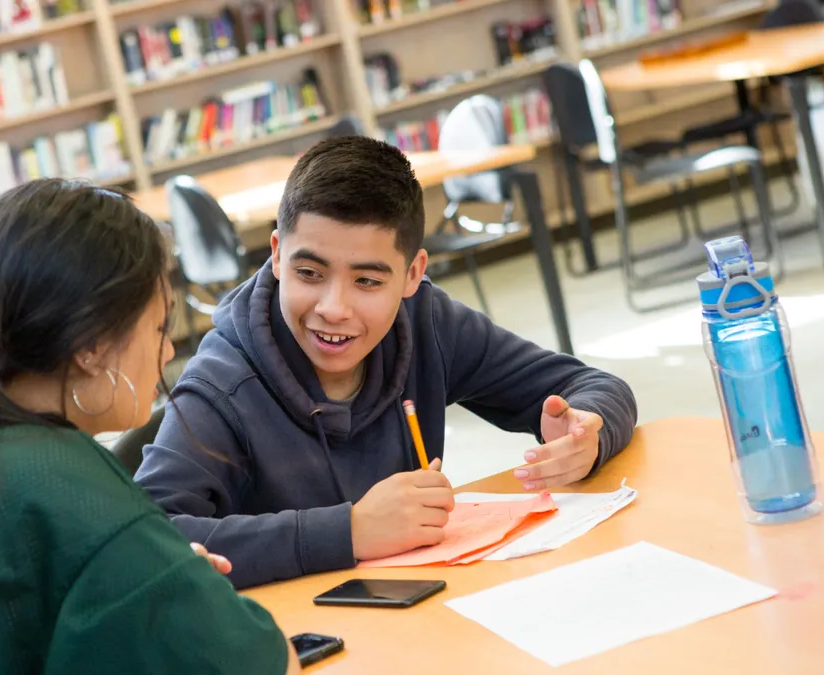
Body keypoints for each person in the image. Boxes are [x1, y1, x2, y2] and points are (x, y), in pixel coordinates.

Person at [135, 137, 638, 589]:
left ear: (412, 274)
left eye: (368, 282)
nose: (334, 307)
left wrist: (587, 433)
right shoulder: (223, 382)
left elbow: (589, 384)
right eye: (309, 272)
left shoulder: (425, 324)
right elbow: (147, 542)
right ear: (276, 255)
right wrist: (349, 531)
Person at [0, 180, 299, 674]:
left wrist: (151, 572)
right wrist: (163, 576)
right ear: (89, 346)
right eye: (158, 328)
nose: (169, 351)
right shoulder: (83, 504)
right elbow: (269, 663)